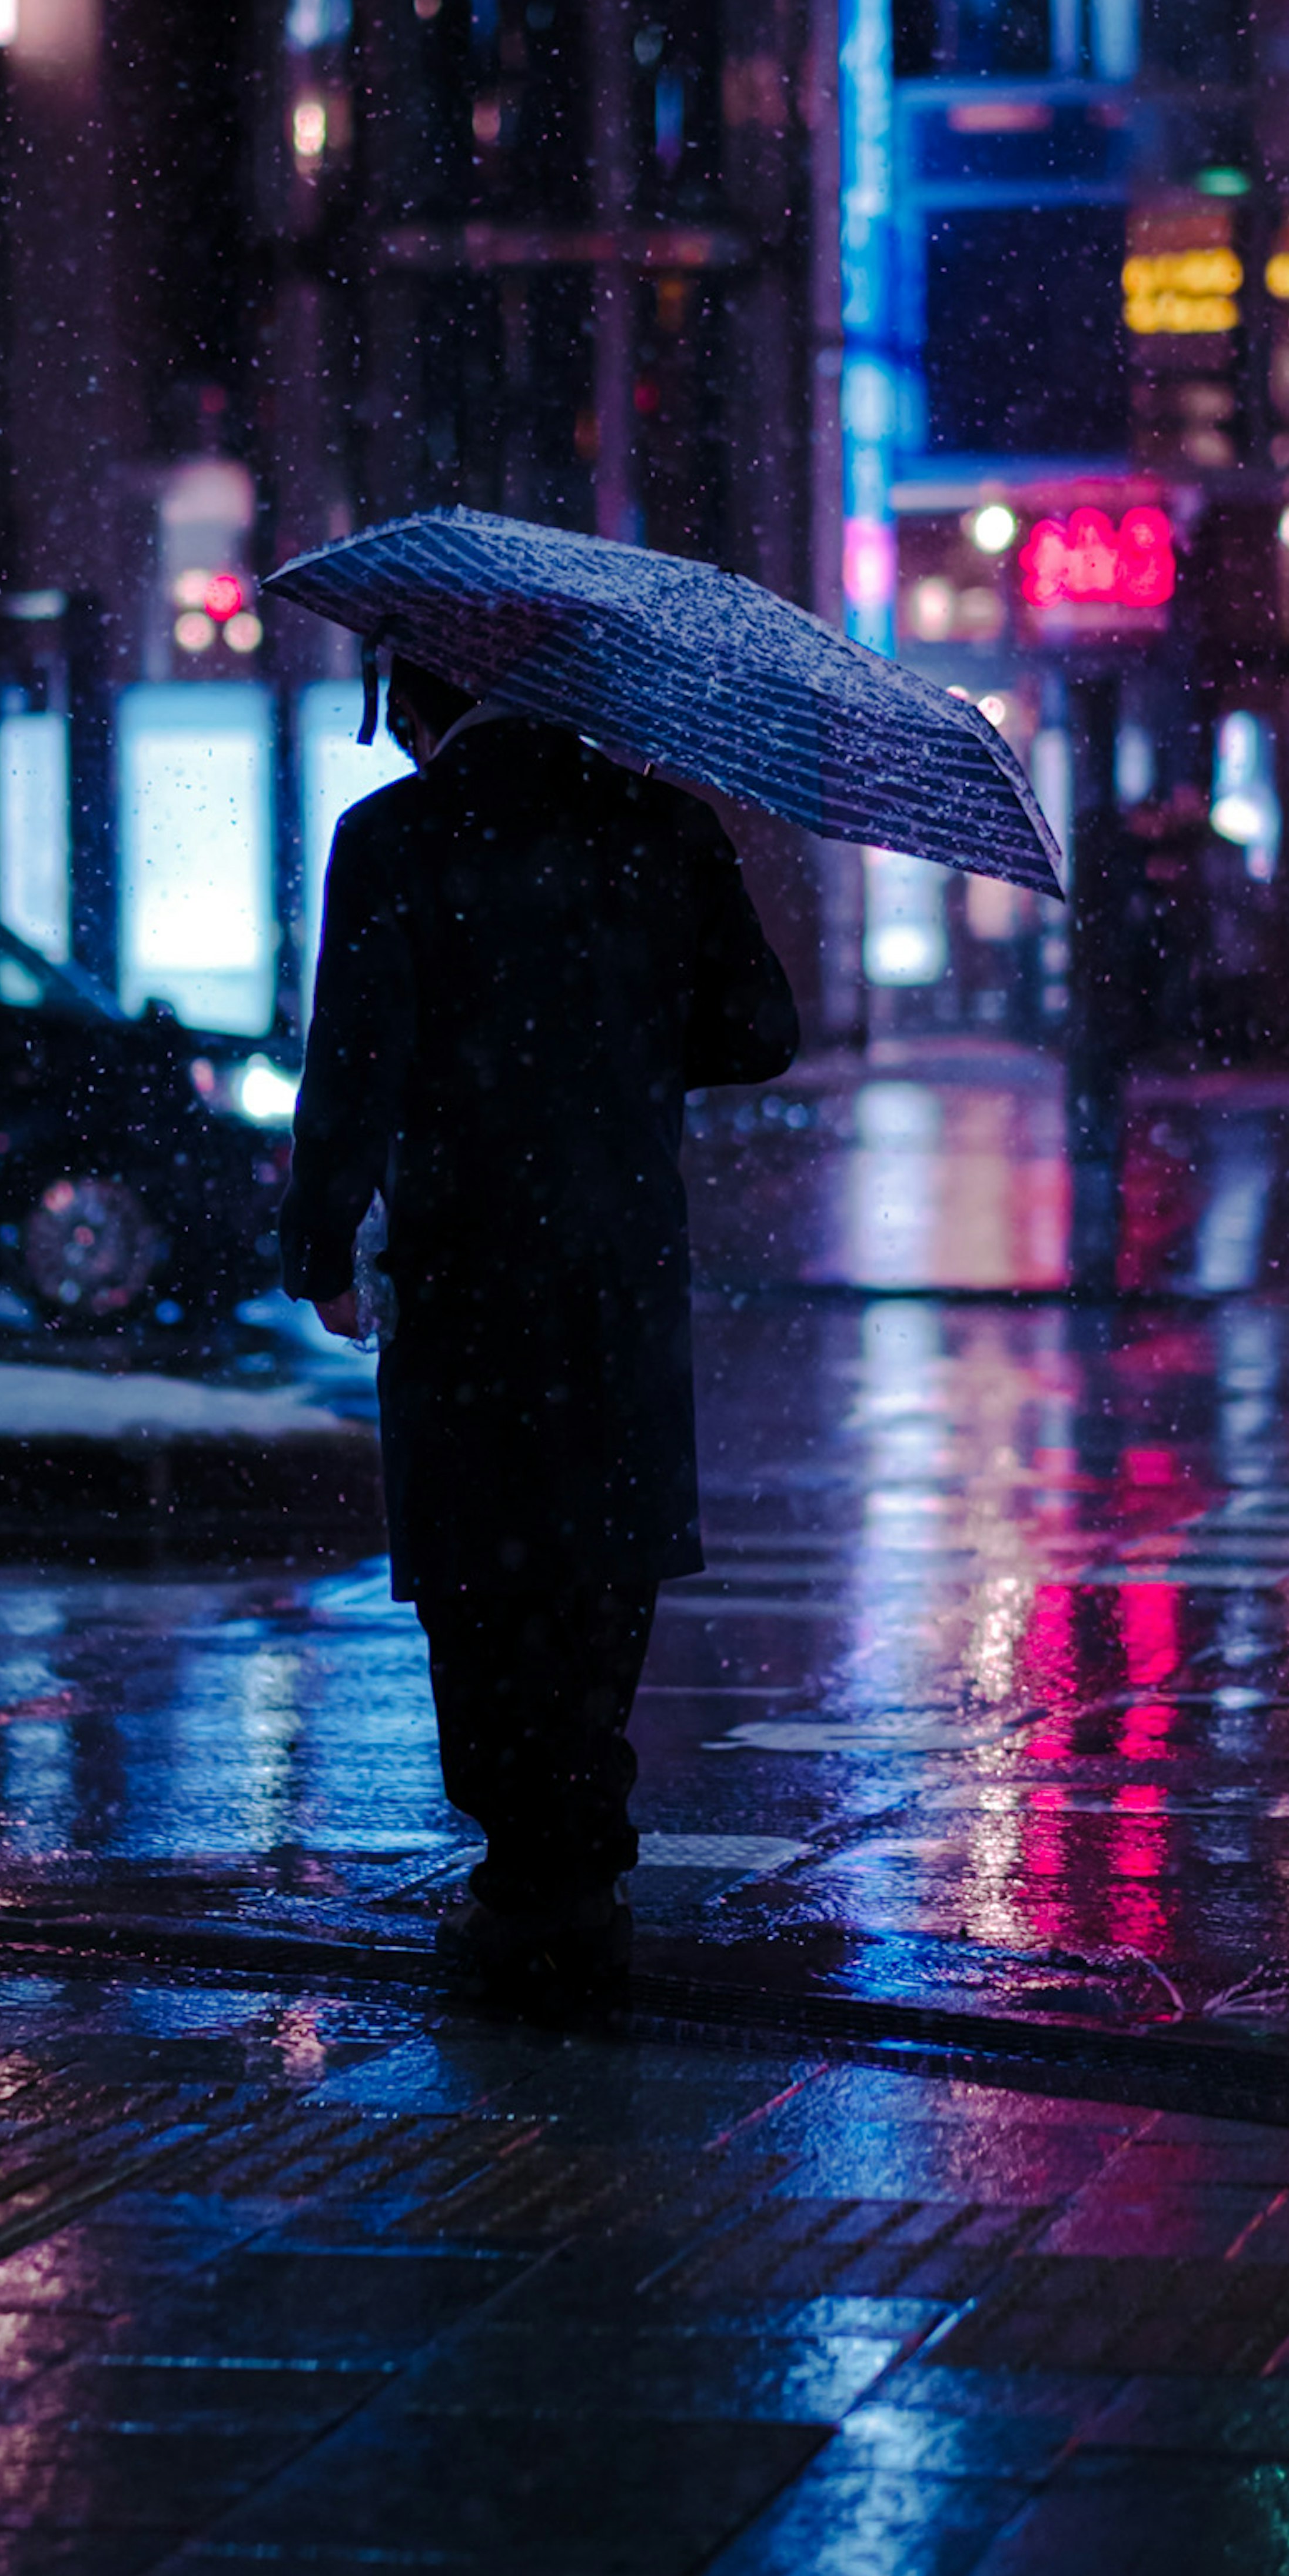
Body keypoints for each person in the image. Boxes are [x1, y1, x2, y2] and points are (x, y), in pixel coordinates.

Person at [280, 654, 800, 1991]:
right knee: (596, 1556)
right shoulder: (658, 823)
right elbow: (760, 1029)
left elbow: (353, 1056)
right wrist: (614, 1038)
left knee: (479, 1565)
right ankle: (577, 1855)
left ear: (414, 709)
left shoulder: (394, 837)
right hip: (619, 1258)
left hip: (467, 1266)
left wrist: (319, 1244)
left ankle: (528, 1864)